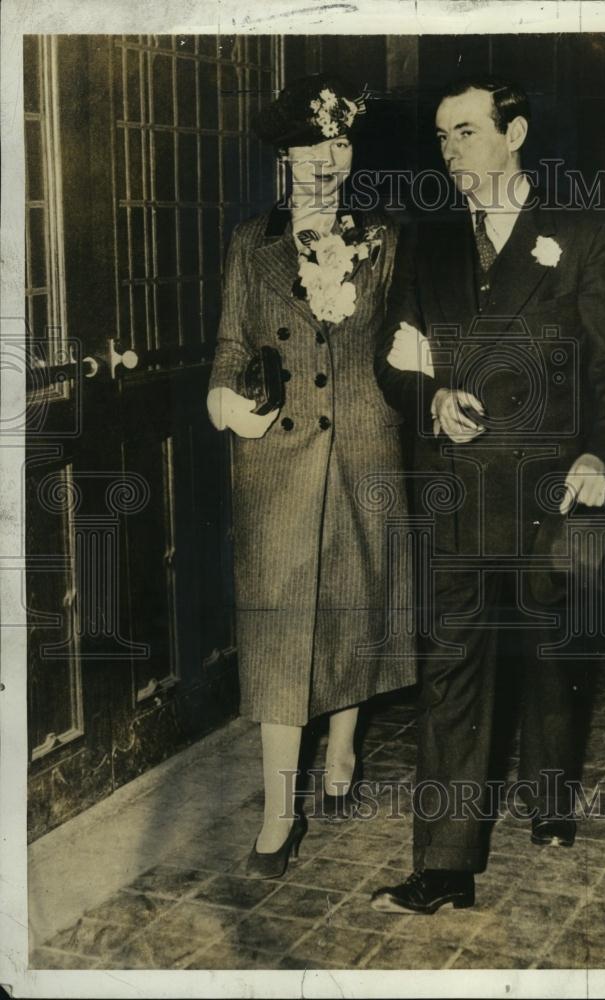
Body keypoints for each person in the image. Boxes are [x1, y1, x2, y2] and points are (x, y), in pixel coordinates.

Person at [370, 76, 605, 913]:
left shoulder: (582, 234)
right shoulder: (428, 243)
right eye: (441, 136)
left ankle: (552, 795)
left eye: (465, 131)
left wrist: (603, 452)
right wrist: (430, 399)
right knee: (452, 667)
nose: (449, 151)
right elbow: (393, 354)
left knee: (553, 655)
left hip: (553, 495)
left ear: (515, 131)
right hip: (456, 496)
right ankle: (446, 863)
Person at [206, 73, 415, 879]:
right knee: (279, 631)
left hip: (363, 447)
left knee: (354, 606)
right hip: (278, 462)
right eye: (308, 150)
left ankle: (344, 741)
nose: (325, 162)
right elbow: (230, 346)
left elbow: (409, 336)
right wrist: (225, 399)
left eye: (338, 145)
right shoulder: (249, 244)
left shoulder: (387, 237)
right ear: (284, 161)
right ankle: (276, 812)